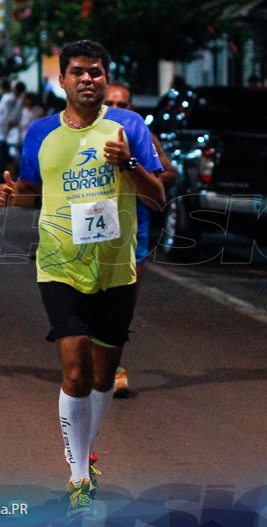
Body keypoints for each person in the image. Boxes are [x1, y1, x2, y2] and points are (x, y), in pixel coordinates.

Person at [0, 40, 165, 522]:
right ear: (62, 81)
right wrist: (13, 193)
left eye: (96, 72)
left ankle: (86, 450)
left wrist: (128, 164)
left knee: (104, 375)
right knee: (75, 371)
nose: (87, 79)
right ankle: (79, 478)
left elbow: (157, 197)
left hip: (116, 267)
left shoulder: (130, 126)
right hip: (59, 264)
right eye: (78, 72)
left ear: (106, 80)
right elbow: (32, 187)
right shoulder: (40, 132)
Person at [103, 82, 177, 397]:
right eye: (111, 102)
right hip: (94, 226)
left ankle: (113, 366)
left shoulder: (144, 137)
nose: (117, 108)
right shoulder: (85, 135)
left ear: (132, 108)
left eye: (123, 103)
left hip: (135, 226)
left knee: (123, 303)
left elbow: (169, 173)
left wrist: (144, 175)